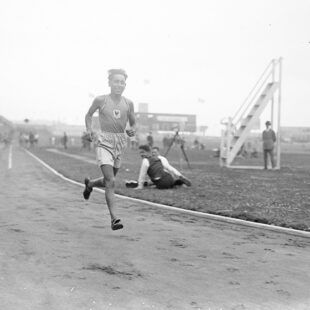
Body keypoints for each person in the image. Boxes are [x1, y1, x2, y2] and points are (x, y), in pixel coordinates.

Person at [83, 68, 136, 230]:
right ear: (110, 83)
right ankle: (114, 219)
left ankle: (90, 184)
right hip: (104, 141)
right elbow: (88, 115)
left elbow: (133, 122)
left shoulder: (128, 103)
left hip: (120, 142)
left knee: (109, 179)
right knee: (111, 181)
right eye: (116, 81)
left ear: (125, 84)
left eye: (122, 82)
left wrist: (132, 129)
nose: (119, 84)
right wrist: (89, 129)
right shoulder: (101, 100)